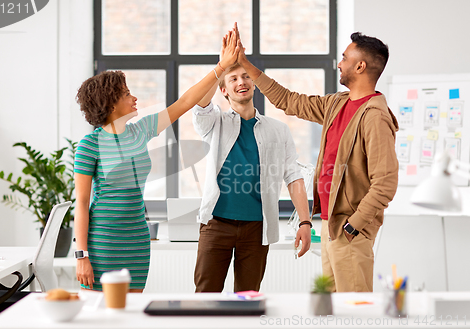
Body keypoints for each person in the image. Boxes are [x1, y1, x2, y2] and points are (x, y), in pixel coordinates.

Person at [73, 27, 240, 292]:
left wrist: (221, 67)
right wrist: (82, 255)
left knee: (132, 312)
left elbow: (185, 101)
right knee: (100, 314)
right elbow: (81, 204)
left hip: (137, 241)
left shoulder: (141, 131)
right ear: (111, 102)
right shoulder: (89, 145)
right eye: (127, 94)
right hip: (103, 242)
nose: (134, 97)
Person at [236, 30, 399, 292]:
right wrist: (246, 65)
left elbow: (385, 183)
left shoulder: (375, 117)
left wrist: (353, 225)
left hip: (349, 228)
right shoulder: (337, 103)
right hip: (331, 223)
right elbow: (289, 101)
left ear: (360, 66)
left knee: (354, 308)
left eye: (345, 58)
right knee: (332, 306)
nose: (339, 63)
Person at [192, 31, 312, 293]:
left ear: (255, 83)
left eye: (245, 76)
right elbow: (200, 104)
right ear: (223, 90)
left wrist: (305, 222)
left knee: (248, 300)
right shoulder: (213, 122)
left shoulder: (278, 130)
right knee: (204, 297)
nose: (241, 82)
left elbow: (293, 176)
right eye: (232, 79)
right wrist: (222, 65)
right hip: (215, 225)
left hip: (257, 229)